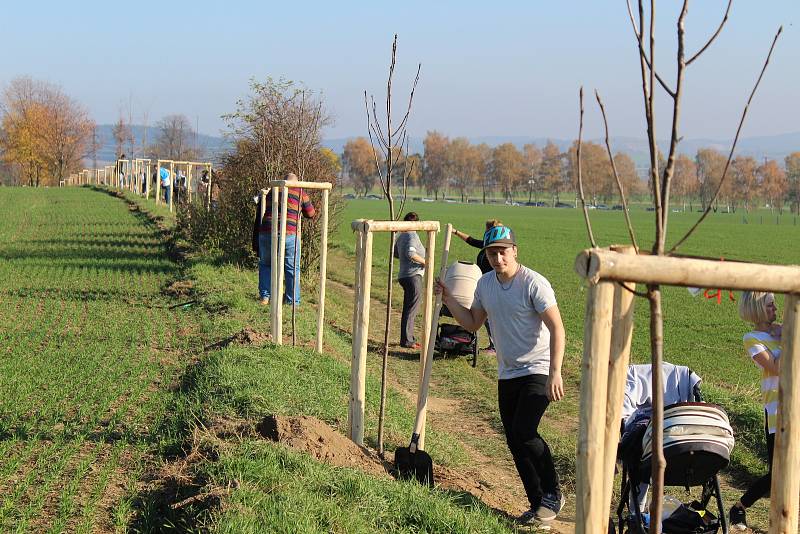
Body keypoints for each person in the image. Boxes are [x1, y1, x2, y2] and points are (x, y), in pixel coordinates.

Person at [435, 224, 566, 524]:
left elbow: (557, 328)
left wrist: (555, 372)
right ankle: (538, 506)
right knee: (512, 439)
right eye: (492, 253)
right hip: (508, 372)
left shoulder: (534, 284)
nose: (497, 259)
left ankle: (553, 491)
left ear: (514, 251)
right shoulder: (485, 285)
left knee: (524, 431)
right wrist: (449, 299)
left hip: (538, 368)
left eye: (502, 252)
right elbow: (472, 323)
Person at [729, 291, 782, 530]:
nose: (776, 309)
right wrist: (792, 335)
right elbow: (776, 367)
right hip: (778, 412)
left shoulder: (784, 330)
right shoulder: (751, 338)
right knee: (777, 474)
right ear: (759, 308)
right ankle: (739, 507)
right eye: (771, 305)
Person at [252, 173, 316, 305]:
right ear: (297, 182)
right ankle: (292, 301)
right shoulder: (300, 191)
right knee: (292, 268)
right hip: (289, 233)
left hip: (266, 232)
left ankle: (265, 297)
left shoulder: (273, 190)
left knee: (265, 264)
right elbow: (310, 213)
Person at [452, 219, 503, 353]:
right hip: (484, 285)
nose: (485, 232)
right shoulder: (487, 245)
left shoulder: (494, 248)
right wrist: (456, 232)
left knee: (489, 318)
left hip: (492, 286)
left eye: (487, 230)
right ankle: (493, 345)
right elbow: (471, 240)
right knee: (484, 317)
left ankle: (495, 347)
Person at [394, 212, 426, 349]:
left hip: (404, 275)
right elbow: (411, 254)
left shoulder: (402, 236)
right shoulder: (412, 235)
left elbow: (396, 253)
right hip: (413, 276)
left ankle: (408, 338)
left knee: (409, 308)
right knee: (411, 309)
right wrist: (426, 262)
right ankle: (407, 340)